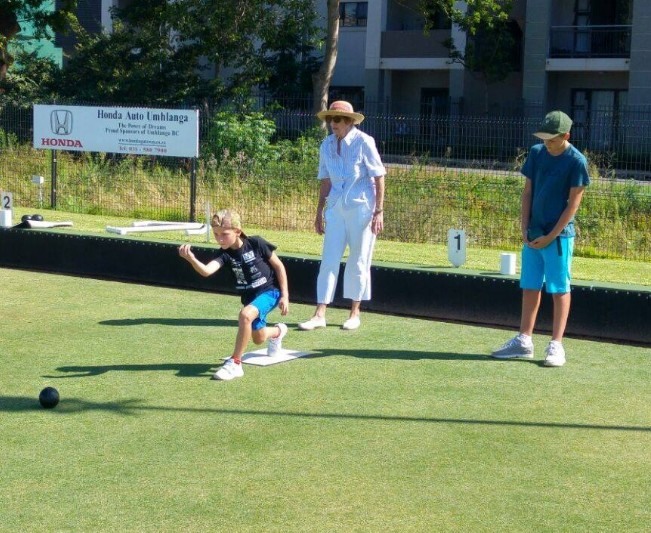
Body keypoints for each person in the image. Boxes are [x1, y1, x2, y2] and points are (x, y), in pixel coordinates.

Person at [491, 110, 590, 367]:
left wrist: (550, 237)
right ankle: (524, 341)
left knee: (559, 288)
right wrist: (524, 228)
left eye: (552, 138)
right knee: (530, 285)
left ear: (566, 135)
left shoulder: (577, 161)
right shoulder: (536, 153)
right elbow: (527, 193)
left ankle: (557, 345)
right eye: (544, 137)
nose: (547, 142)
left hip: (558, 238)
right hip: (533, 235)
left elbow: (572, 207)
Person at [298, 100, 386, 331]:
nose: (332, 124)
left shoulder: (365, 141)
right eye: (329, 119)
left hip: (362, 208)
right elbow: (325, 180)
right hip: (335, 208)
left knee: (359, 259)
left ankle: (354, 312)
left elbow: (379, 176)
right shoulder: (326, 145)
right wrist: (319, 211)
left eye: (336, 119)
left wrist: (379, 210)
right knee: (329, 259)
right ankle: (319, 314)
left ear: (348, 121)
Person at [179, 209, 289, 381]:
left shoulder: (256, 243)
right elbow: (207, 271)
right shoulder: (224, 253)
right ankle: (278, 332)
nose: (219, 238)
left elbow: (279, 266)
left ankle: (235, 363)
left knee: (245, 315)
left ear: (237, 231)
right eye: (216, 234)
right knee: (258, 338)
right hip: (250, 299)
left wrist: (285, 295)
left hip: (270, 291)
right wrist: (192, 259)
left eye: (224, 234)